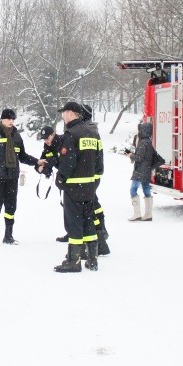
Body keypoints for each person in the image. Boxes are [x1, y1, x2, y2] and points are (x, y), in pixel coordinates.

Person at [0, 108, 40, 246]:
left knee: (11, 208)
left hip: (12, 178)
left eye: (13, 119)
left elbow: (22, 156)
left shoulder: (17, 137)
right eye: (9, 119)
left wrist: (36, 161)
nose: (11, 121)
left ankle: (8, 236)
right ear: (2, 119)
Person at [54, 101, 102, 273]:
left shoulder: (71, 134)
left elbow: (68, 161)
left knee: (74, 222)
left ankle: (74, 261)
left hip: (73, 187)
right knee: (88, 221)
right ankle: (92, 258)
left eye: (64, 113)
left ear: (71, 113)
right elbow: (99, 160)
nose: (62, 116)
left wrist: (60, 178)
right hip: (89, 186)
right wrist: (94, 181)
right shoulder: (92, 133)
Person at [82, 105, 110, 255]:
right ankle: (101, 233)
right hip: (93, 174)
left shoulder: (87, 131)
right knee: (93, 205)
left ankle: (99, 238)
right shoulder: (92, 130)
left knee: (89, 208)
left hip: (89, 176)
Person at [127, 121, 156, 222]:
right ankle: (148, 214)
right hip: (147, 169)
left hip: (140, 170)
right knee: (146, 189)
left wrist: (131, 155)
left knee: (133, 190)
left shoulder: (143, 143)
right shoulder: (149, 142)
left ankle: (137, 213)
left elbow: (139, 158)